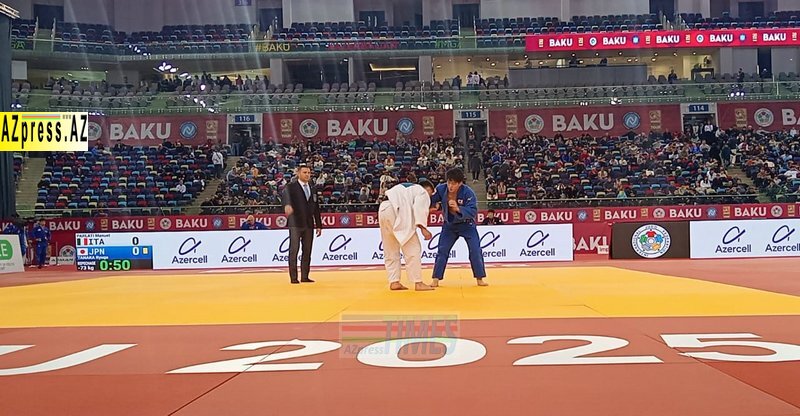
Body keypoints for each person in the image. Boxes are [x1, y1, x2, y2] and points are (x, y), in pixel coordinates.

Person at [429, 168, 487, 287]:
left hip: (467, 225)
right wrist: (430, 203)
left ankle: (479, 278)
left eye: (454, 183)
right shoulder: (441, 189)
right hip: (449, 225)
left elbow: (473, 211)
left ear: (460, 183)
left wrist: (458, 208)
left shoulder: (468, 192)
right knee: (442, 250)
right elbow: (430, 200)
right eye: (449, 182)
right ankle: (436, 278)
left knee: (475, 250)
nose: (450, 186)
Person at [379, 174, 436, 291]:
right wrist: (423, 228)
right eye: (430, 194)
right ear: (428, 189)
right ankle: (418, 282)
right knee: (413, 249)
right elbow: (419, 208)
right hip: (397, 212)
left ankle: (394, 281)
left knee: (390, 248)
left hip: (383, 209)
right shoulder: (422, 191)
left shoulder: (402, 187)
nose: (429, 197)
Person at [282, 166, 322, 284]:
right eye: (305, 172)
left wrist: (319, 225)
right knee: (294, 250)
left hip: (309, 224)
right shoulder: (291, 187)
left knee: (307, 250)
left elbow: (316, 207)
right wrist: (287, 205)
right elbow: (285, 198)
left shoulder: (313, 188)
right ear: (298, 173)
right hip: (295, 223)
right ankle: (293, 277)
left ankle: (305, 276)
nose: (307, 174)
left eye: (309, 172)